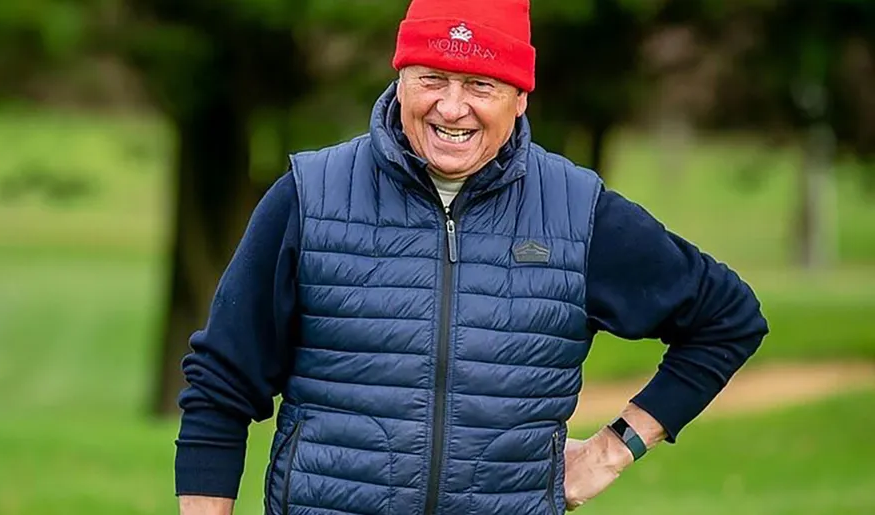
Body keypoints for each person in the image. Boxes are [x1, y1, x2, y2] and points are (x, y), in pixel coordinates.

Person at [174, 0, 769, 513]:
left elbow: (726, 320)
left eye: (480, 84)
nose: (451, 108)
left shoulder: (578, 213)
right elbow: (221, 387)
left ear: (519, 97)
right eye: (432, 77)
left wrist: (615, 449)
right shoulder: (310, 196)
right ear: (401, 76)